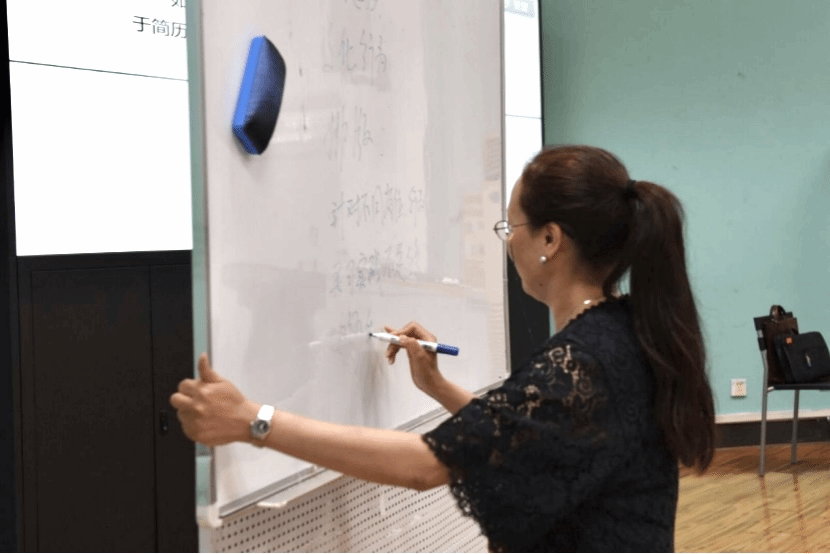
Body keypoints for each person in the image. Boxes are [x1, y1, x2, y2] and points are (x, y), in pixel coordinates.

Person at [171, 145, 716, 552]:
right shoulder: (621, 331)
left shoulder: (581, 362)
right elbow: (531, 431)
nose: (508, 241)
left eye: (511, 226)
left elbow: (424, 467)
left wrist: (254, 421)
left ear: (550, 240)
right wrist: (436, 386)